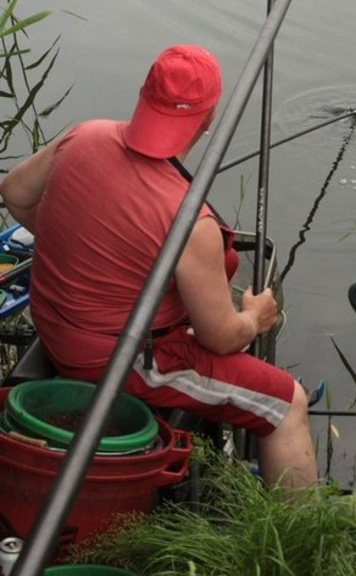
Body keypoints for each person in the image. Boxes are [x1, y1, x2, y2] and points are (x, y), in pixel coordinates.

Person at [0, 45, 317, 493]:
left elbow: (14, 191)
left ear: (142, 94)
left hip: (53, 326)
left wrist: (74, 242)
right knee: (286, 404)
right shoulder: (191, 222)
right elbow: (220, 337)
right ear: (208, 120)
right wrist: (255, 317)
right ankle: (300, 543)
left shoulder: (82, 136)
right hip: (122, 361)